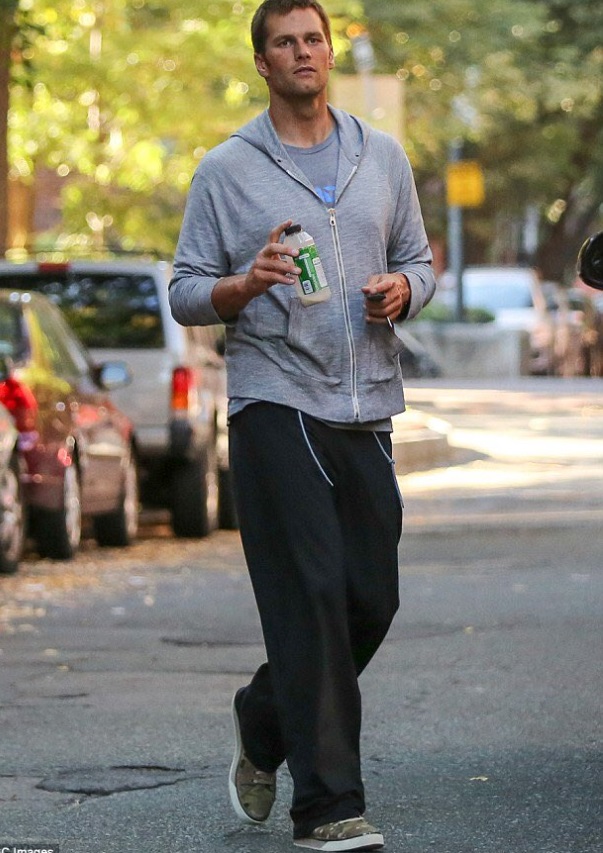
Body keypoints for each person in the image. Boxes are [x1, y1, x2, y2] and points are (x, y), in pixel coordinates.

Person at [169, 1, 436, 849]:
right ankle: (328, 807)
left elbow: (422, 262)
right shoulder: (226, 170)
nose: (301, 53)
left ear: (329, 53)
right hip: (274, 402)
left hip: (366, 407)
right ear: (262, 64)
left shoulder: (380, 157)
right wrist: (244, 286)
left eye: (312, 39)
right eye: (283, 43)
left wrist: (403, 290)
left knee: (370, 597)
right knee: (311, 595)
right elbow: (183, 289)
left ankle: (261, 719)